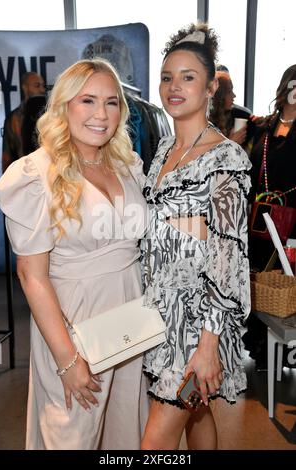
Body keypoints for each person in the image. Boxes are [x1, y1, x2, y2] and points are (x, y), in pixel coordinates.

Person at [0, 58, 149, 450]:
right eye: (88, 101)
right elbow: (32, 276)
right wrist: (67, 360)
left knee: (124, 432)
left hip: (133, 323)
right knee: (71, 435)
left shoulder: (127, 164)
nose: (101, 114)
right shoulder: (36, 174)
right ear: (64, 105)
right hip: (75, 328)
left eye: (112, 102)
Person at [140, 23, 251, 450]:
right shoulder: (163, 151)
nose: (174, 86)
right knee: (196, 415)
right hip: (159, 314)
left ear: (209, 90)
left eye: (188, 77)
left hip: (198, 322)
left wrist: (209, 344)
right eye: (168, 77)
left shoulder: (227, 158)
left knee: (154, 445)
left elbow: (228, 256)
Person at [243, 64, 296, 370]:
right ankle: (260, 347)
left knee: (284, 284)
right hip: (259, 220)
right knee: (258, 282)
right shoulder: (261, 128)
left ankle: (281, 352)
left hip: (291, 223)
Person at [2, 71, 45, 172]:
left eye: (43, 85)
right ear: (25, 88)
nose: (42, 90)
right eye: (37, 85)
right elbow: (7, 155)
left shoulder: (51, 115)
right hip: (23, 177)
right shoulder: (13, 119)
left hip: (49, 177)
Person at [209, 70, 248, 145]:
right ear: (220, 96)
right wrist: (232, 142)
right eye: (229, 91)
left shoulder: (229, 116)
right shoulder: (205, 124)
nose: (234, 95)